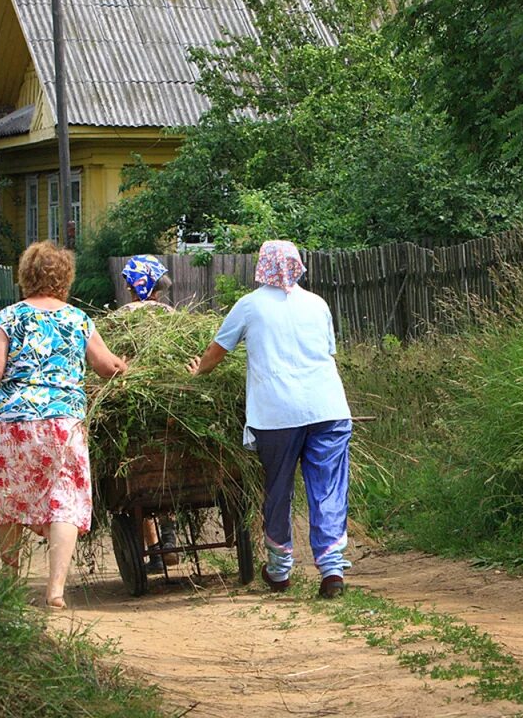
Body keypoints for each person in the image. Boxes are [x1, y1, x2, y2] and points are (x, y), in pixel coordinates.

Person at [0, 241, 127, 609]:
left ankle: (10, 580)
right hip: (62, 422)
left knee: (11, 499)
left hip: (13, 425)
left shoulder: (9, 317)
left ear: (25, 275)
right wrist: (125, 365)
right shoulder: (78, 320)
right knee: (65, 501)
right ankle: (55, 590)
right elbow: (106, 367)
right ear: (66, 278)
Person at [188, 240, 352, 599]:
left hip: (276, 414)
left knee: (278, 488)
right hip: (329, 409)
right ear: (298, 265)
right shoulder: (318, 304)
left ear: (260, 266)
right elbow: (327, 353)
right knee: (327, 487)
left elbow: (218, 350)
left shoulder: (249, 306)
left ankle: (279, 570)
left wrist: (196, 371)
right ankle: (332, 567)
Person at [119, 254, 179, 573]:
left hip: (137, 405)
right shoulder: (170, 314)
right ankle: (168, 535)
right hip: (172, 402)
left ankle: (155, 548)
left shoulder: (124, 315)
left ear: (134, 285)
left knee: (138, 469)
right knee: (170, 460)